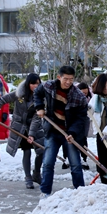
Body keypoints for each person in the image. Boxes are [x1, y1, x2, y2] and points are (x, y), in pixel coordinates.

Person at [34, 65, 89, 197]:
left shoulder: (78, 96)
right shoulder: (48, 86)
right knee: (48, 163)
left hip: (69, 134)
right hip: (52, 131)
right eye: (66, 79)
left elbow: (81, 118)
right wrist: (39, 107)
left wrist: (73, 133)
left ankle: (80, 192)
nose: (68, 82)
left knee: (75, 164)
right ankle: (45, 192)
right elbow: (37, 93)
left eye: (71, 79)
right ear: (59, 77)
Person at [0, 73, 45, 189]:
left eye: (38, 83)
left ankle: (37, 173)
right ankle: (28, 177)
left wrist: (32, 134)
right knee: (27, 151)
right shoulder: (19, 94)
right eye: (33, 83)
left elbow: (37, 117)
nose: (36, 86)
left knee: (41, 151)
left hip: (35, 127)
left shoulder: (41, 97)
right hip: (20, 126)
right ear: (28, 84)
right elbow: (2, 100)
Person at [76, 81, 92, 169]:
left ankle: (84, 158)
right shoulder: (74, 96)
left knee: (83, 138)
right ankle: (68, 158)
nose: (84, 95)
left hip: (85, 119)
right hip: (75, 119)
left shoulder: (90, 98)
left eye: (86, 93)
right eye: (82, 93)